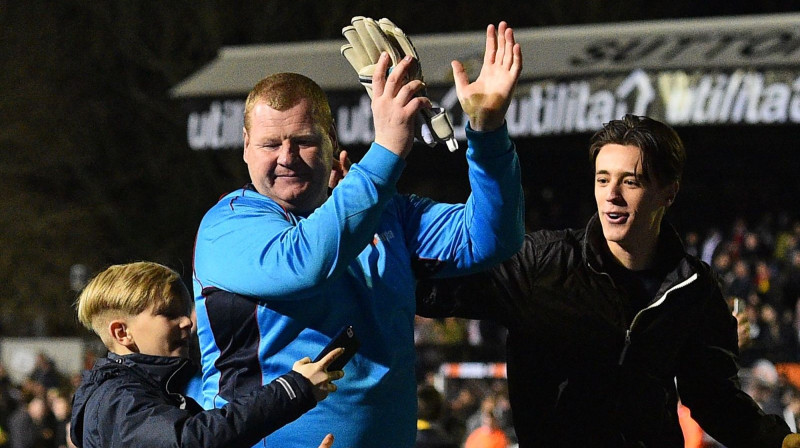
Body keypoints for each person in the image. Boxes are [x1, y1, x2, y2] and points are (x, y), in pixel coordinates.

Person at [192, 21, 524, 448]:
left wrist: (488, 133)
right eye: (269, 144)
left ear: (331, 141)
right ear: (245, 147)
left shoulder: (385, 215)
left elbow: (493, 237)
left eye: (303, 141)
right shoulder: (226, 226)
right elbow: (306, 264)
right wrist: (386, 151)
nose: (286, 157)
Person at [416, 114, 800, 447]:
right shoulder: (541, 262)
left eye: (630, 182)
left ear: (669, 192)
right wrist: (364, 232)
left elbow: (715, 399)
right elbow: (432, 290)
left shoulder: (695, 289)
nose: (611, 196)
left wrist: (779, 441)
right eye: (603, 180)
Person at [70, 261, 343, 448]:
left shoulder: (152, 393)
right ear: (122, 333)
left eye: (185, 311)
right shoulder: (116, 397)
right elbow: (191, 441)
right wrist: (292, 390)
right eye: (169, 314)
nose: (187, 322)